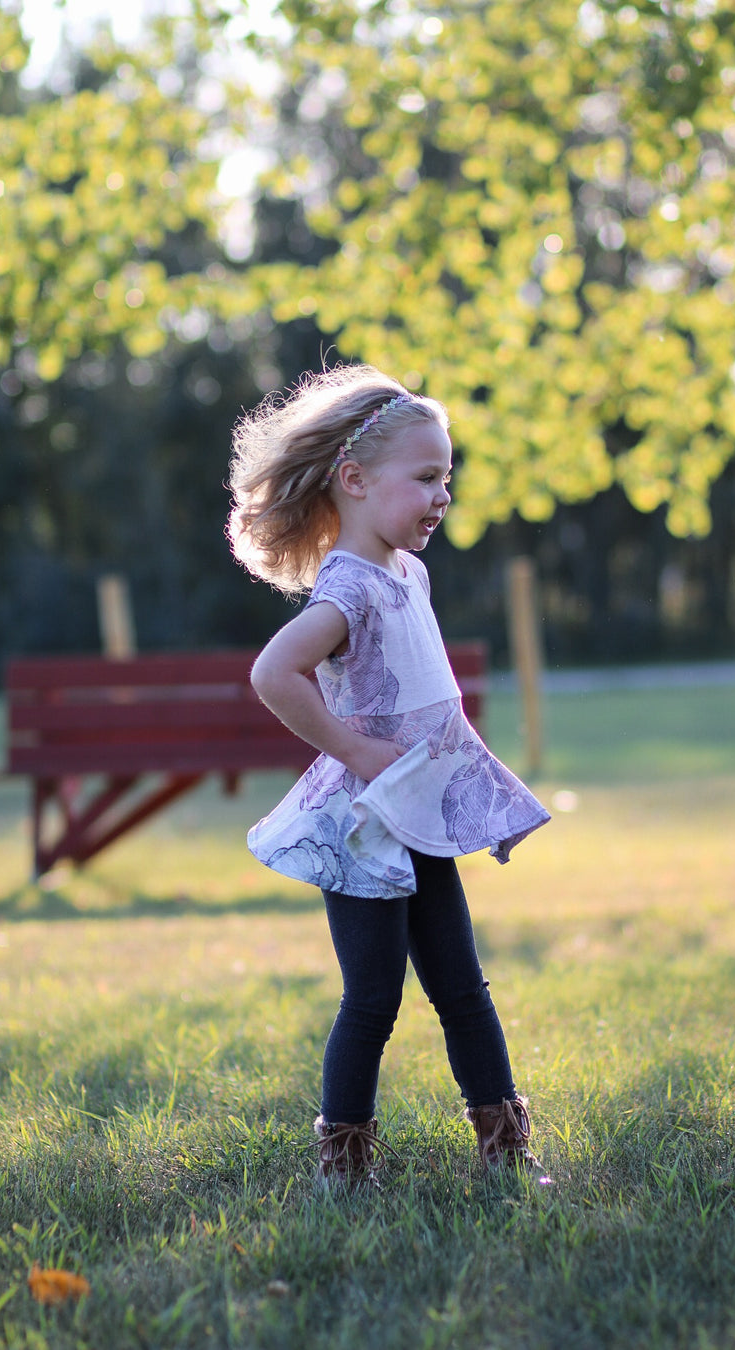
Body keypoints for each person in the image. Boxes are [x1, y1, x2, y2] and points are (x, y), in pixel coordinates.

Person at [226, 363, 551, 1190]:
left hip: (419, 817)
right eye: (426, 478)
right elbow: (273, 674)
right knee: (372, 1000)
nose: (442, 496)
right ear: (356, 480)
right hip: (365, 827)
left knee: (463, 988)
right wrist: (354, 749)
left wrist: (485, 807)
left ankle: (506, 1149)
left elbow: (438, 716)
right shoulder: (350, 590)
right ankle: (344, 1165)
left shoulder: (412, 575)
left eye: (447, 478)